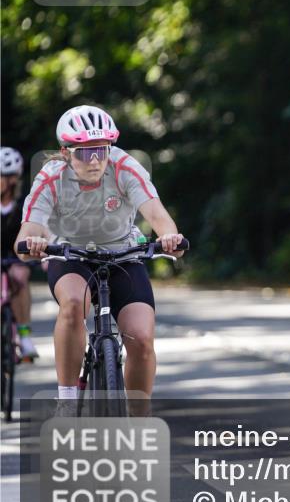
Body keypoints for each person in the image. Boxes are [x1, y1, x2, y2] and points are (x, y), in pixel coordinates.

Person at [15, 105, 185, 408]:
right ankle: (67, 400)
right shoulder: (50, 177)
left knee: (141, 339)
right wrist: (33, 242)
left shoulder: (125, 167)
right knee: (72, 304)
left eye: (101, 150)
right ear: (65, 152)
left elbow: (157, 214)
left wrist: (169, 236)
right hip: (69, 254)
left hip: (122, 253)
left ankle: (138, 417)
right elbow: (28, 231)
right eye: (83, 152)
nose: (94, 160)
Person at [1, 146, 38, 362]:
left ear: (13, 179)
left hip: (15, 256)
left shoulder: (24, 203)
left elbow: (36, 229)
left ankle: (24, 337)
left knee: (19, 279)